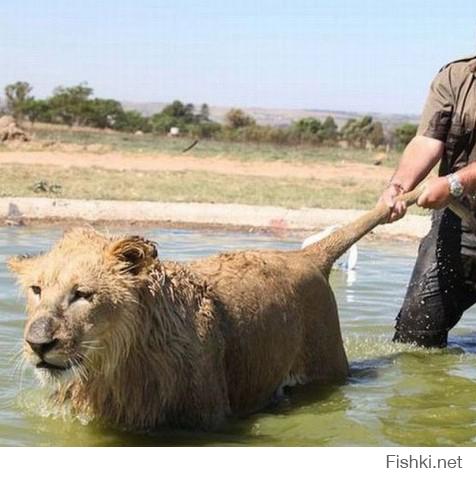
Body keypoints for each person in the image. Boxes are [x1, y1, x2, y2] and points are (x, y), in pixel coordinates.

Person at [379, 55, 476, 347]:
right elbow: (428, 139)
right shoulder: (456, 76)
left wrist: (456, 182)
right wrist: (398, 186)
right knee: (415, 341)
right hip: (459, 226)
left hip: (456, 193)